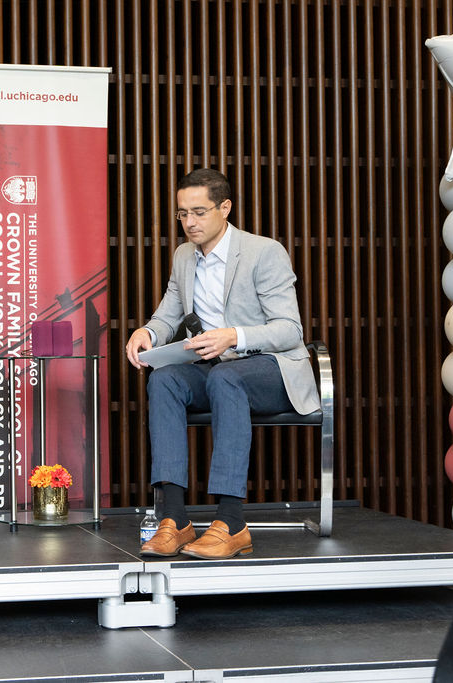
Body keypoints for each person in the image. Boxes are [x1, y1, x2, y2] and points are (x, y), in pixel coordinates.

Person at [125, 168, 318, 560]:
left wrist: (234, 335)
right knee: (164, 380)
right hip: (216, 371)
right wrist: (147, 332)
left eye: (199, 212)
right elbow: (168, 314)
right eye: (182, 214)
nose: (189, 222)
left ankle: (231, 522)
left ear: (225, 208)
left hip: (270, 367)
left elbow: (289, 330)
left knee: (227, 378)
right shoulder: (184, 256)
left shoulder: (264, 252)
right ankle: (175, 519)